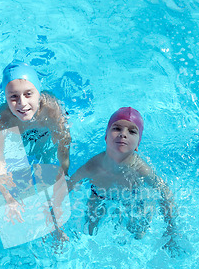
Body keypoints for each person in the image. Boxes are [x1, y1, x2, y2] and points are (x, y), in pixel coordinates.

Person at [68, 107, 179, 253]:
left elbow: (165, 191)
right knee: (89, 233)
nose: (123, 134)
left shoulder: (140, 169)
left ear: (138, 144)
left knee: (137, 238)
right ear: (106, 137)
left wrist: (171, 229)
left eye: (132, 131)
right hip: (99, 195)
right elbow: (67, 185)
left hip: (132, 198)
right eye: (117, 128)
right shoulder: (93, 165)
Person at [0, 60, 71, 223]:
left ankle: (54, 224)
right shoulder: (2, 120)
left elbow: (63, 141)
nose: (22, 103)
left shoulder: (51, 109)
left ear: (39, 93)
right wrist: (9, 199)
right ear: (5, 97)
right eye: (13, 97)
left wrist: (64, 174)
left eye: (28, 94)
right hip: (18, 144)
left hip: (45, 139)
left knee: (50, 175)